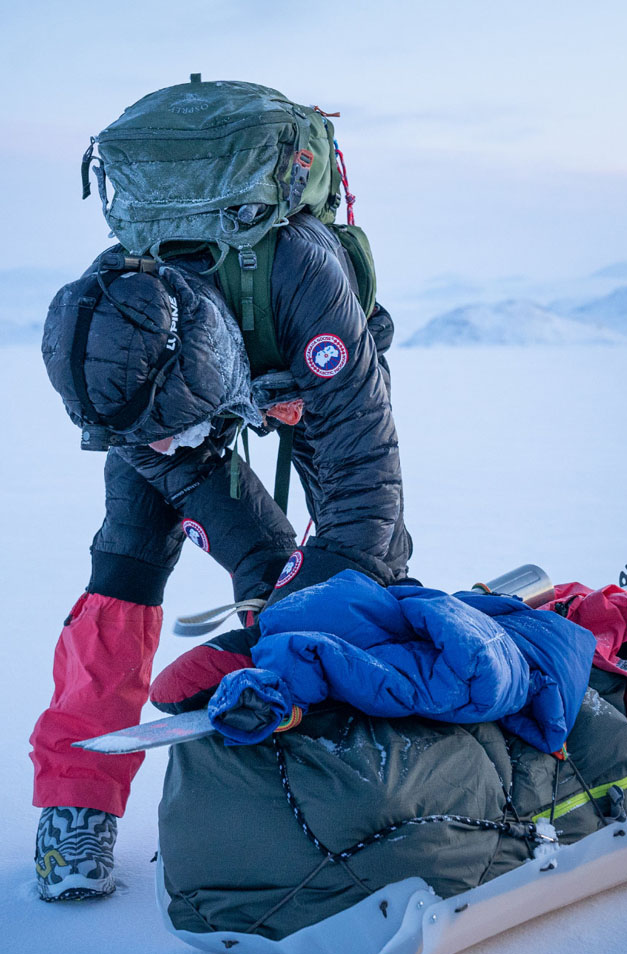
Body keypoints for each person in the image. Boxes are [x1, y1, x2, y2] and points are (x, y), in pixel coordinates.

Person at [31, 209, 411, 901]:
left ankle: (363, 777)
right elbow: (164, 455)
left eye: (171, 427)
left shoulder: (303, 282)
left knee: (351, 581)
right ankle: (75, 805)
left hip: (312, 388)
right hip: (176, 394)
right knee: (127, 561)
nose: (165, 444)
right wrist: (264, 563)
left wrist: (305, 600)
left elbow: (364, 498)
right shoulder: (108, 319)